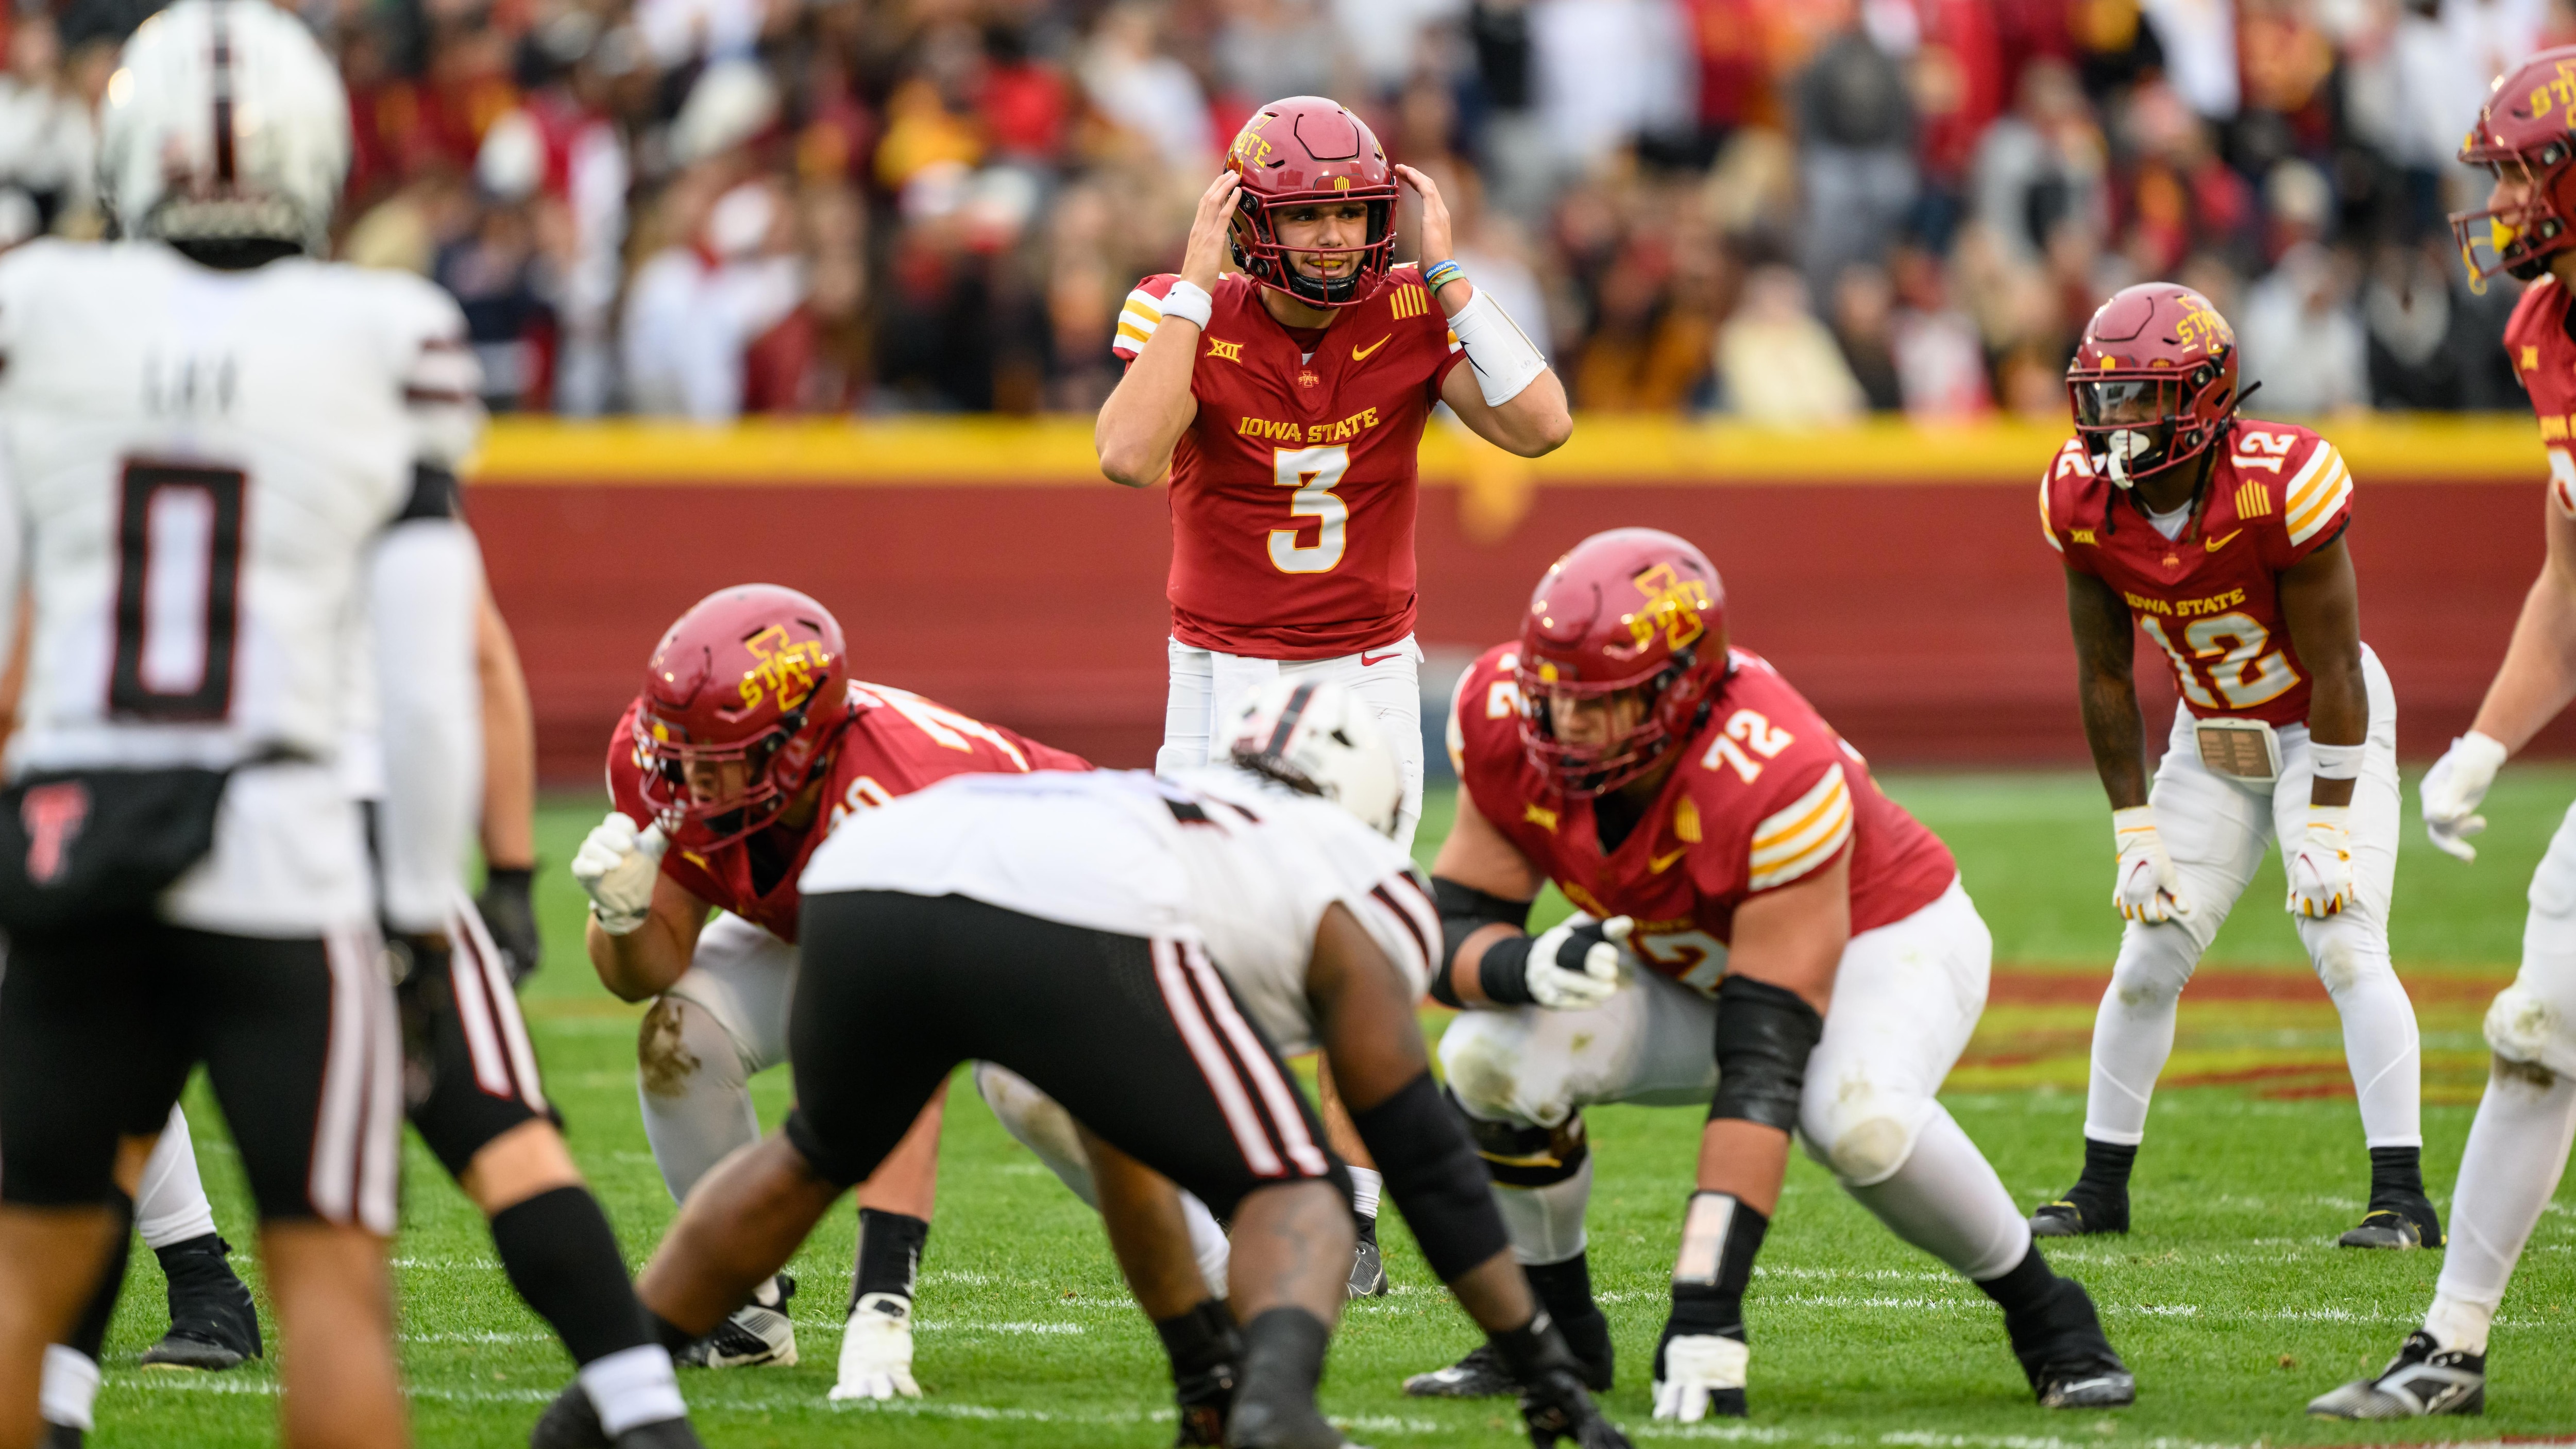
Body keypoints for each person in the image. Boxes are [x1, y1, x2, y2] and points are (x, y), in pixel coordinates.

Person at [545, 680, 1631, 1449]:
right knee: (1296, 1185)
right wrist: (1540, 1364)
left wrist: (1189, 1354)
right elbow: (1419, 1150)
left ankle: (602, 1395)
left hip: (875, 870)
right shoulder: (1354, 868)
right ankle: (1275, 1409)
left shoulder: (1165, 802)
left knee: (809, 1154)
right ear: (1369, 809)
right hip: (1075, 903)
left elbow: (1122, 1131)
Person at [0, 4, 467, 1446]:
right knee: (330, 1277)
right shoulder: (391, 330)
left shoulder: (41, 310)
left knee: (25, 1274)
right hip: (286, 838)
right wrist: (423, 907)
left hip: (81, 820)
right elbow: (427, 669)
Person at [1409, 527, 2134, 1420]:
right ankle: (1550, 1337)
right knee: (1488, 1055)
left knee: (1856, 1120)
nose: (1566, 726)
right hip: (1687, 956)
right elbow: (1450, 931)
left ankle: (2051, 1317)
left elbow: (1763, 1070)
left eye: (1603, 702)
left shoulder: (1773, 770)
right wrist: (1522, 964)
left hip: (1886, 940)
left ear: (1682, 690)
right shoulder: (1507, 721)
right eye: (1553, 696)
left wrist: (1706, 1311)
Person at [1095, 93, 1569, 1294]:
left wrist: (1451, 273)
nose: (1331, 239)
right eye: (1304, 217)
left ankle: (1351, 1214)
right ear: (1250, 218)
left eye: (1351, 213)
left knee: (1353, 947)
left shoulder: (1411, 310)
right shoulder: (1183, 305)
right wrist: (1200, 283)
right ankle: (1239, 1197)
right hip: (1221, 672)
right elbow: (1125, 454)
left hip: (1362, 671)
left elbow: (1542, 426)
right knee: (1200, 949)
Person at [570, 583, 1087, 1399]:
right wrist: (620, 913)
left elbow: (902, 1057)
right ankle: (745, 1308)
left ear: (796, 746)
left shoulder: (894, 792)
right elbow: (652, 972)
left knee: (1029, 1094)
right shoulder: (666, 761)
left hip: (1051, 905)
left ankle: (1222, 1269)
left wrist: (880, 1312)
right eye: (682, 751)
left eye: (717, 757)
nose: (689, 782)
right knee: (681, 1036)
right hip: (849, 920)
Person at [2031, 282, 2430, 1248]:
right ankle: (2100, 1187)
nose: (2116, 422)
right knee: (2146, 957)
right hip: (2210, 736)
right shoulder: (2082, 499)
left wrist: (2329, 822)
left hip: (2323, 727)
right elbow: (2105, 677)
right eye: (2105, 397)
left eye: (2142, 398)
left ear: (2205, 399)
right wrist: (2133, 833)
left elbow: (2336, 669)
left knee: (2344, 940)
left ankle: (2403, 1199)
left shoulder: (2279, 482)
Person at [2311, 49, 2576, 1417]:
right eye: (2508, 170)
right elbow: (2568, 576)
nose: (2513, 195)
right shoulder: (2543, 327)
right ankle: (2452, 1341)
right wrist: (2486, 739)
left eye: (2536, 165)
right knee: (2539, 1028)